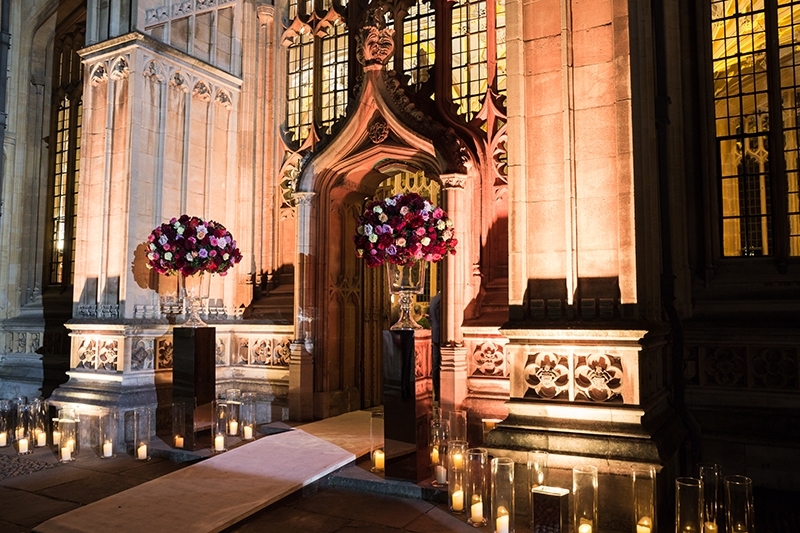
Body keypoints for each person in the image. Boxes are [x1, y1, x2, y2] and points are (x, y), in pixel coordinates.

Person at [429, 291, 441, 402]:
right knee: (438, 364)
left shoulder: (434, 299)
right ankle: (439, 392)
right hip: (441, 334)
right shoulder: (442, 298)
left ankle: (437, 393)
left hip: (436, 334)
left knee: (436, 363)